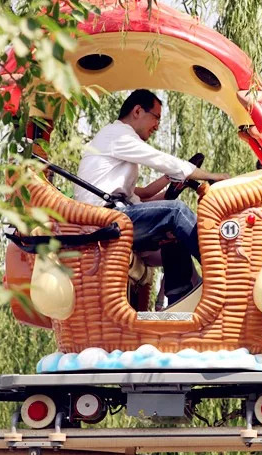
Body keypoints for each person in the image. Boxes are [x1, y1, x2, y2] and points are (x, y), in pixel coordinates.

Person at [74, 89, 230, 305]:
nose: (157, 125)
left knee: (173, 234)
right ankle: (224, 269)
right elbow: (160, 159)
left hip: (113, 216)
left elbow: (141, 196)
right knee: (176, 212)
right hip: (104, 219)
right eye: (156, 117)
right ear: (137, 111)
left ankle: (180, 301)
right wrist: (212, 176)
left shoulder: (116, 149)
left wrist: (172, 185)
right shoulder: (117, 135)